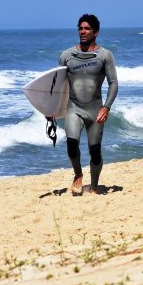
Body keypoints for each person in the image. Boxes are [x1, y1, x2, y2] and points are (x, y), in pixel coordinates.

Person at [59, 14, 118, 196]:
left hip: (95, 109)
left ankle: (93, 185)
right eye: (80, 28)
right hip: (74, 107)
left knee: (95, 150)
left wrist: (106, 107)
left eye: (87, 28)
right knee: (71, 143)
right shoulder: (67, 56)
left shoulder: (104, 55)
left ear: (96, 32)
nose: (83, 31)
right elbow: (56, 85)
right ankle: (78, 175)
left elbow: (113, 83)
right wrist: (50, 109)